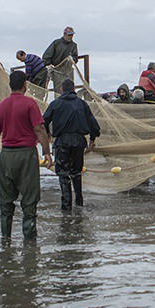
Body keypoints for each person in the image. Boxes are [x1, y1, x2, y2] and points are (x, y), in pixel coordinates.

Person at [0, 70, 53, 240]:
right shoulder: (30, 104)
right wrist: (46, 152)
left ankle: (5, 241)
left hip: (6, 156)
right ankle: (30, 249)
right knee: (29, 201)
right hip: (26, 155)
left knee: (6, 202)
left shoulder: (0, 106)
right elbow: (39, 129)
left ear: (10, 85)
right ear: (25, 85)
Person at [43, 78, 101, 211]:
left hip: (62, 142)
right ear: (74, 89)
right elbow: (94, 125)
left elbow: (43, 121)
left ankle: (66, 207)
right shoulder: (82, 104)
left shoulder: (55, 103)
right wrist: (92, 139)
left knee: (63, 174)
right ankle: (79, 203)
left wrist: (48, 133)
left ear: (62, 90)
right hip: (79, 142)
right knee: (76, 173)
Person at [42, 27, 80, 94]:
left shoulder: (73, 45)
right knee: (59, 90)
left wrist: (72, 59)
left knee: (70, 89)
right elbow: (47, 55)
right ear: (64, 34)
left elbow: (75, 58)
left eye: (72, 34)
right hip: (57, 70)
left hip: (68, 71)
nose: (71, 36)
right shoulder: (57, 43)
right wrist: (48, 64)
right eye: (69, 35)